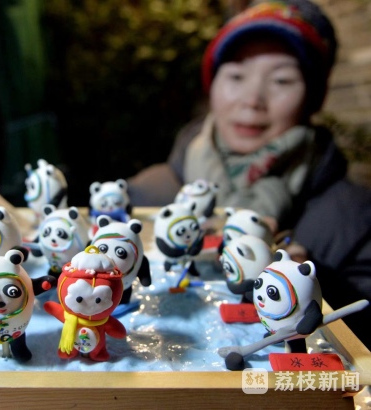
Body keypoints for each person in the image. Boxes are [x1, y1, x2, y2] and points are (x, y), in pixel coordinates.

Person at [128, 0, 371, 348]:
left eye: (282, 80)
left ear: (313, 96)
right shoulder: (145, 196)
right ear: (212, 85)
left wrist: (310, 289)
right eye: (236, 76)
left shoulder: (356, 218)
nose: (252, 100)